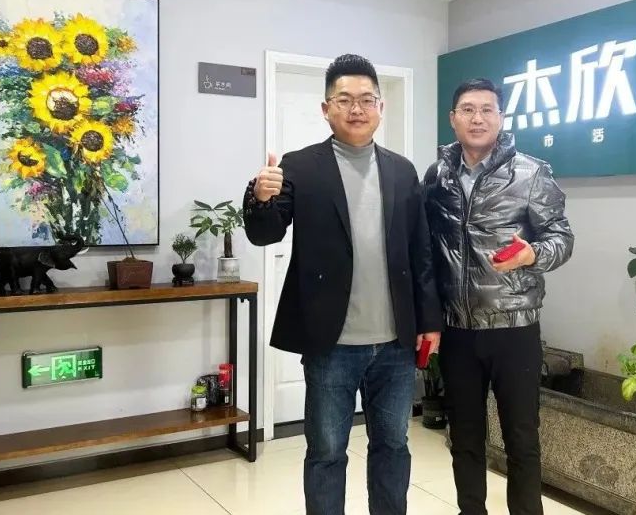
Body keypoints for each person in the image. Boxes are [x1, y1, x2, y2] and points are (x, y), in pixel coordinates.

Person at [243, 54, 443, 515]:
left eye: (367, 99)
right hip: (331, 343)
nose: (357, 109)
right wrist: (260, 197)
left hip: (395, 343)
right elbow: (265, 233)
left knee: (393, 446)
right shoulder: (300, 166)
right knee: (327, 452)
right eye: (345, 100)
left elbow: (421, 252)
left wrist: (429, 320)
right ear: (326, 108)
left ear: (380, 107)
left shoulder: (402, 170)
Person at [422, 77, 574, 515]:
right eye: (468, 109)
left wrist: (532, 254)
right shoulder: (437, 176)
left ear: (501, 117)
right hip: (458, 330)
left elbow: (562, 238)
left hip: (514, 328)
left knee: (522, 439)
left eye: (487, 109)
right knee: (464, 438)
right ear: (453, 118)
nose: (478, 118)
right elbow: (427, 248)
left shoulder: (531, 172)